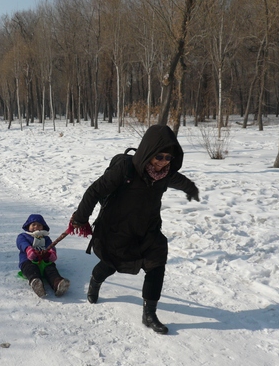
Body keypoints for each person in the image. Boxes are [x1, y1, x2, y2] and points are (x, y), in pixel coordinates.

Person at [71, 124, 200, 334]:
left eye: (168, 158)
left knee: (157, 262)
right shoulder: (126, 169)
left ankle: (149, 314)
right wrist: (80, 218)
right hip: (117, 230)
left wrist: (191, 188)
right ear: (149, 152)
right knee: (111, 264)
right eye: (159, 157)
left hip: (147, 230)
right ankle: (95, 281)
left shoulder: (165, 174)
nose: (163, 163)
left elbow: (178, 179)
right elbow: (95, 190)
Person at [17, 214, 70, 298]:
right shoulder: (23, 236)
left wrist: (52, 253)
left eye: (39, 225)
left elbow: (51, 246)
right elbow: (21, 243)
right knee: (31, 269)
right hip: (28, 261)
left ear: (43, 227)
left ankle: (58, 283)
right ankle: (36, 283)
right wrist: (28, 249)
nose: (36, 227)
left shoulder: (46, 238)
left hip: (45, 262)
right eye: (33, 224)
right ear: (28, 226)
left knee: (51, 270)